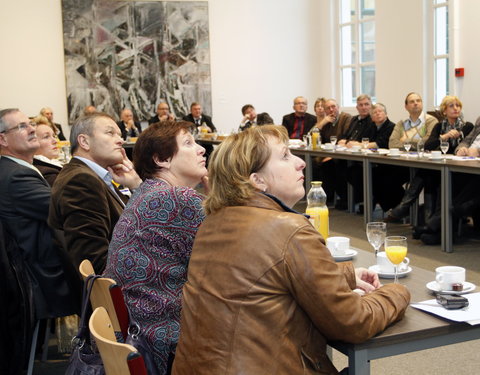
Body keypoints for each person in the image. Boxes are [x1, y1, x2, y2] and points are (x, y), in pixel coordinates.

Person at [173, 125, 410, 375]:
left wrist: (347, 275)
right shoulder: (290, 229)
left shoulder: (213, 222)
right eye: (285, 156)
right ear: (257, 180)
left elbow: (259, 279)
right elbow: (354, 322)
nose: (301, 163)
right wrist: (398, 292)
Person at [103, 120, 207, 375]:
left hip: (137, 329)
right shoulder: (177, 198)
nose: (201, 149)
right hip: (163, 339)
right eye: (189, 143)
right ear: (162, 159)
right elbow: (230, 261)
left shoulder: (147, 191)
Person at [0, 109, 78, 320]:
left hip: (40, 270)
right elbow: (64, 209)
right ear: (3, 139)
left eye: (30, 124)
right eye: (22, 126)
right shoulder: (16, 176)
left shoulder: (15, 169)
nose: (32, 129)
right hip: (47, 279)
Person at [49, 113, 142, 274]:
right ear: (84, 141)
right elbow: (95, 262)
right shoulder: (81, 180)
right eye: (110, 133)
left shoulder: (96, 175)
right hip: (118, 289)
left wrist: (136, 185)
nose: (120, 140)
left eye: (119, 135)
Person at [386, 96, 474, 223]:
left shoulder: (467, 126)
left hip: (457, 169)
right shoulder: (439, 127)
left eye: (458, 105)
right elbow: (427, 146)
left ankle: (404, 208)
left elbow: (463, 145)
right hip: (440, 166)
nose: (456, 108)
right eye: (451, 106)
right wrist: (443, 137)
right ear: (444, 111)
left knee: (427, 174)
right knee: (428, 175)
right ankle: (429, 221)